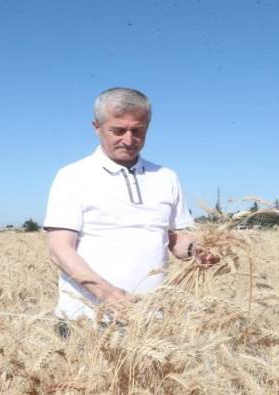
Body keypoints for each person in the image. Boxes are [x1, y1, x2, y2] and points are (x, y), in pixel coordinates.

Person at [43, 87, 218, 331]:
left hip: (150, 324)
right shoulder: (72, 176)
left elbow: (171, 238)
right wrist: (107, 294)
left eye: (138, 131)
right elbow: (60, 250)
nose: (129, 139)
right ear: (97, 127)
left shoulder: (166, 177)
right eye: (118, 130)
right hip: (85, 323)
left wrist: (195, 249)